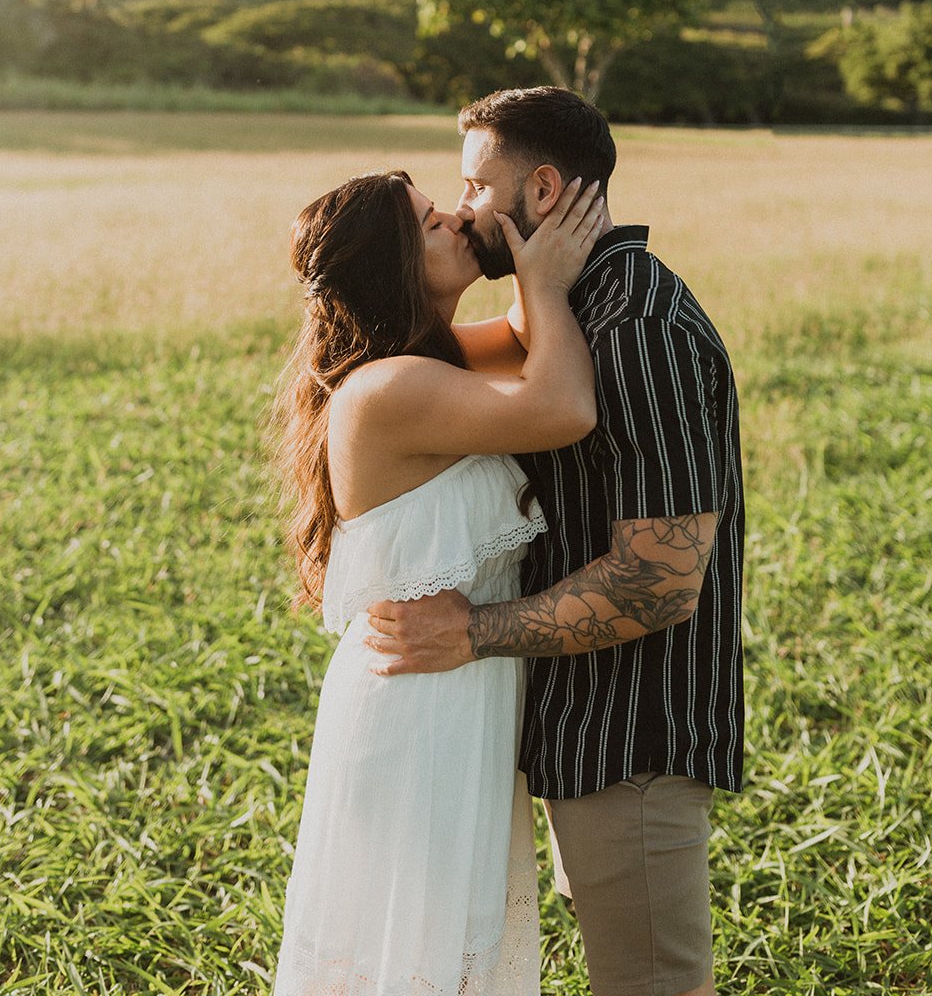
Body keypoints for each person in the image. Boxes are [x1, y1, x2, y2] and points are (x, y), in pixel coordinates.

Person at [367, 88, 745, 996]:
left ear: (539, 188)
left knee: (651, 984)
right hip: (582, 722)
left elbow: (659, 582)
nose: (460, 208)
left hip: (635, 736)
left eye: (472, 185)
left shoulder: (637, 328)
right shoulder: (572, 316)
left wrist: (473, 631)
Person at [272, 165, 606, 996]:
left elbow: (531, 331)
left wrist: (532, 233)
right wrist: (539, 270)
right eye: (432, 223)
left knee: (450, 946)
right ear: (393, 265)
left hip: (456, 686)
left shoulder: (428, 358)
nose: (458, 220)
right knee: (416, 951)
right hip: (418, 704)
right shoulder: (392, 387)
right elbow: (563, 404)